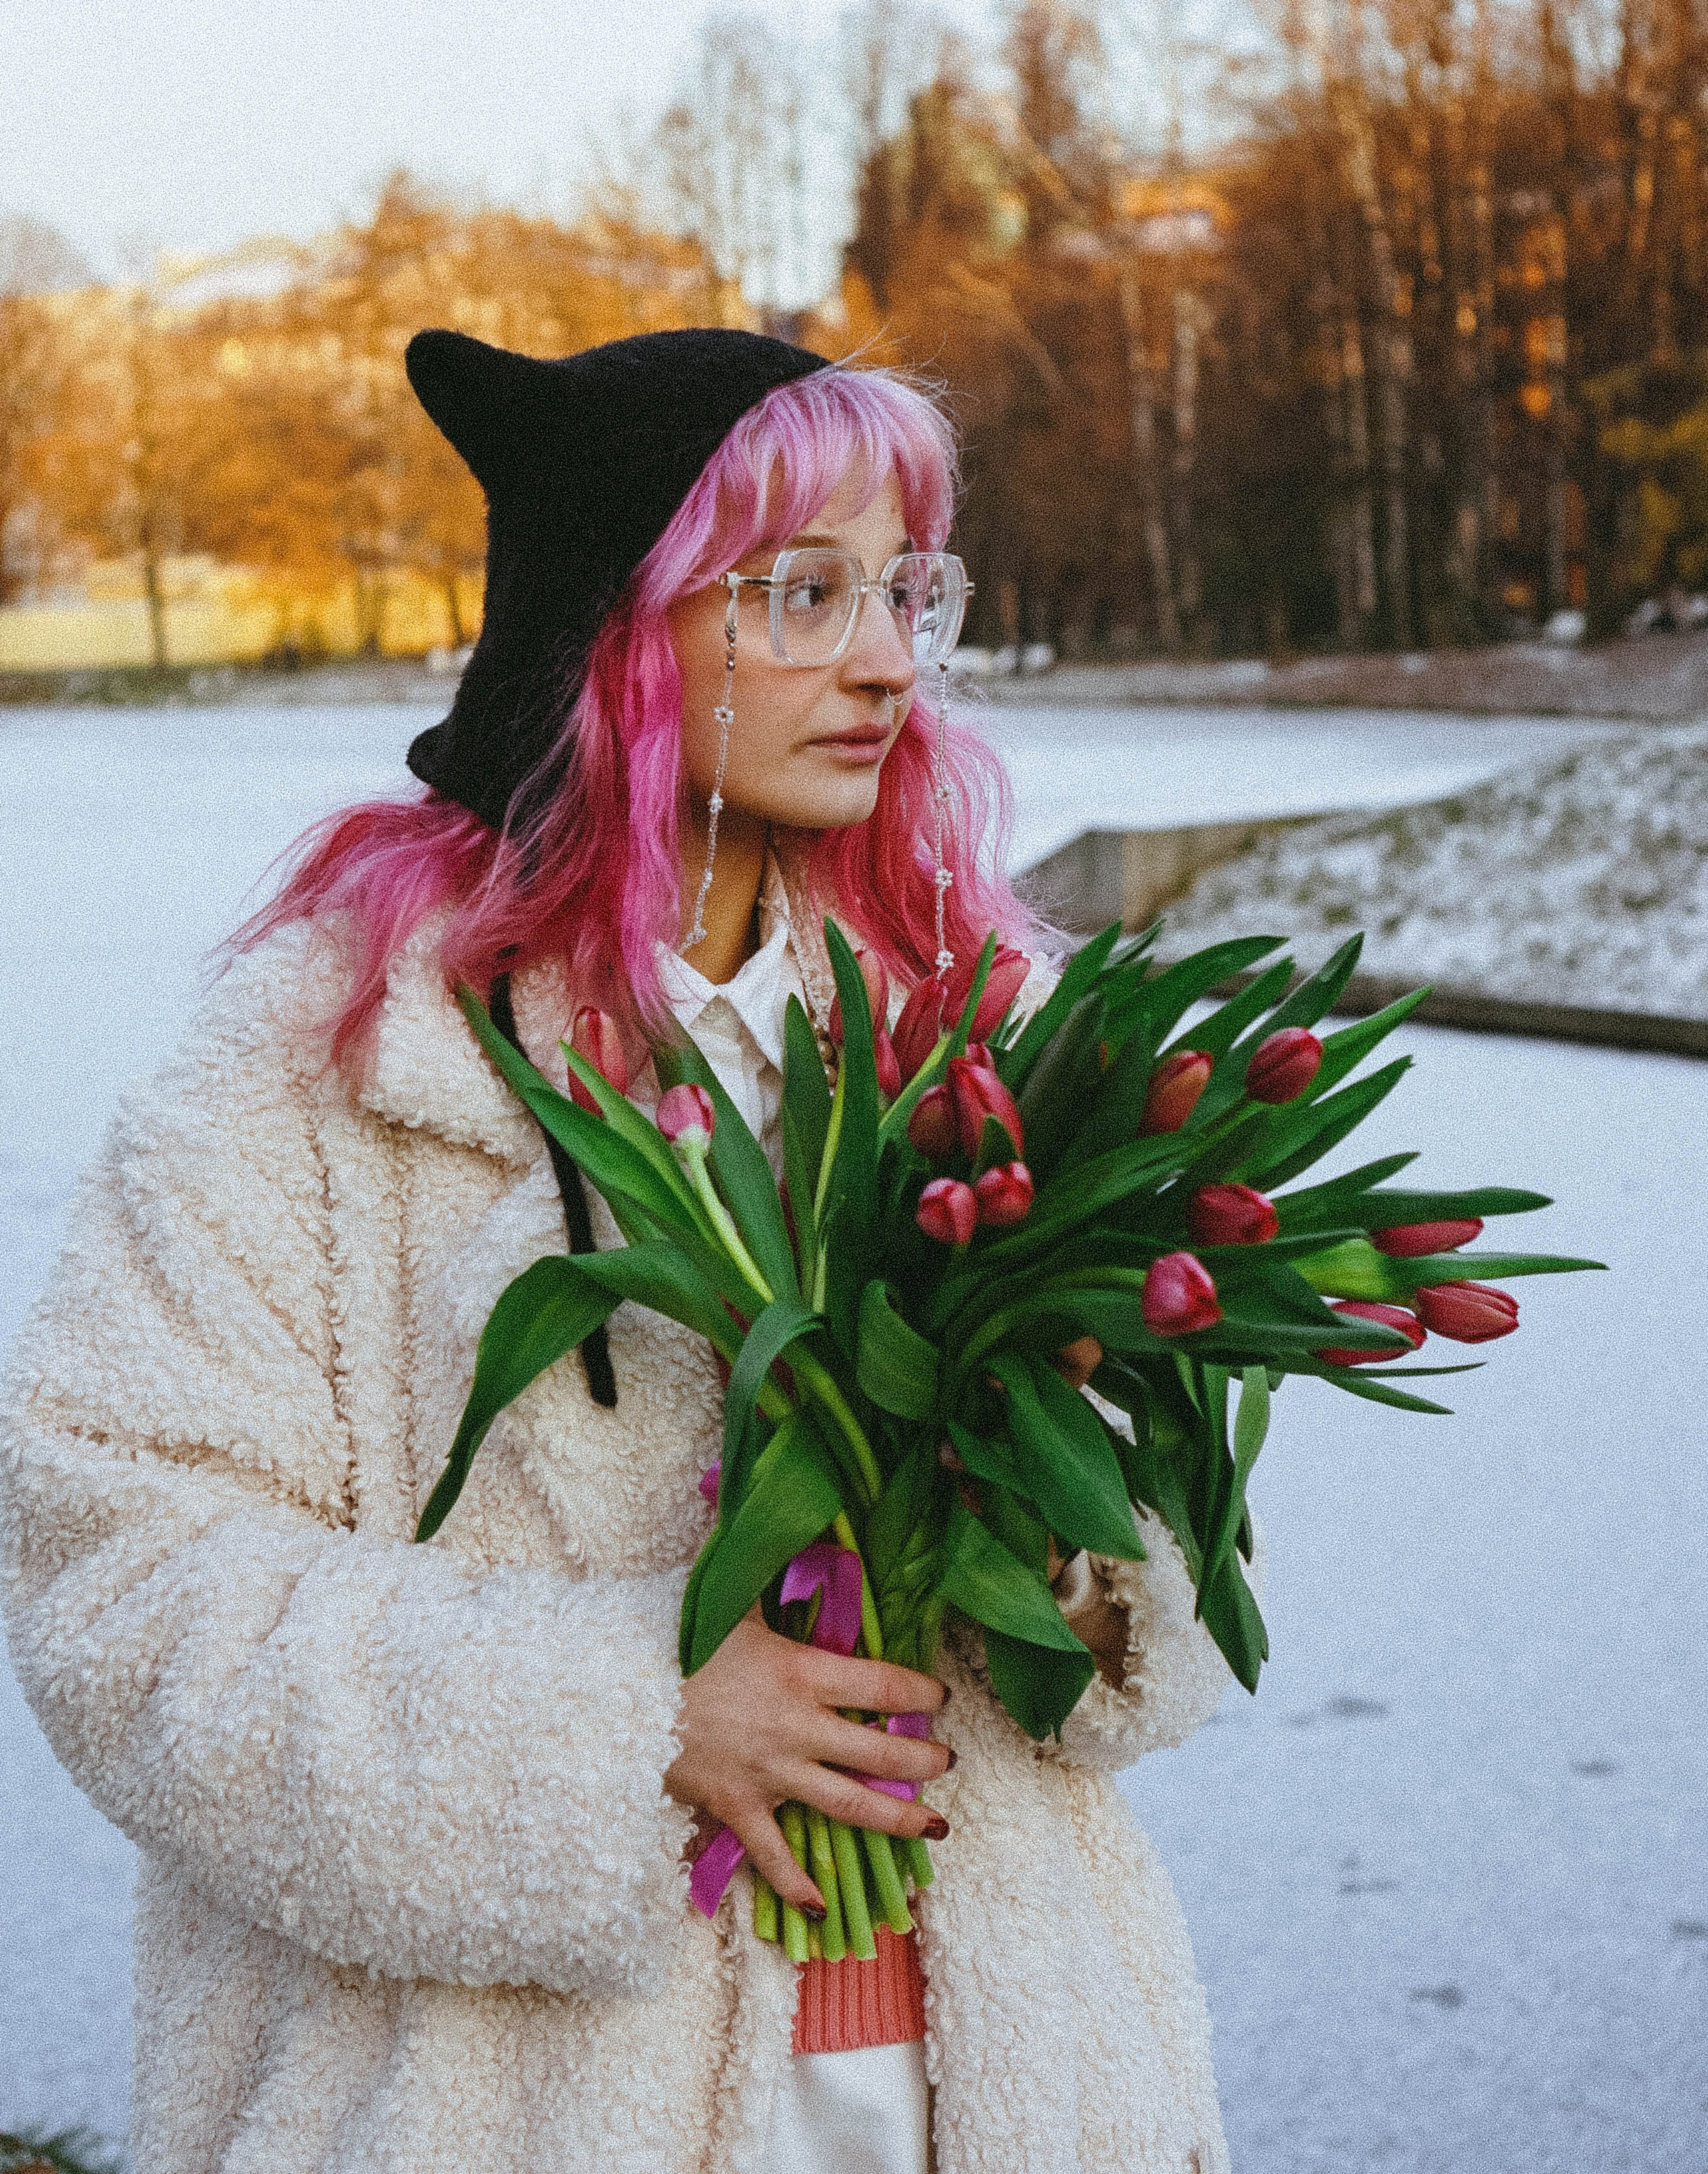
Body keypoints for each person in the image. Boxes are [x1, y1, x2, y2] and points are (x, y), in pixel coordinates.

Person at [1, 330, 1238, 2174]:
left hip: (1002, 2085)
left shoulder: (993, 1029)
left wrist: (1071, 1548)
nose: (889, 658)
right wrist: (637, 1719)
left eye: (909, 591)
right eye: (805, 594)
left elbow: (1182, 1566)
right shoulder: (332, 1055)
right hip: (507, 2107)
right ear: (618, 630)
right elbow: (123, 1581)